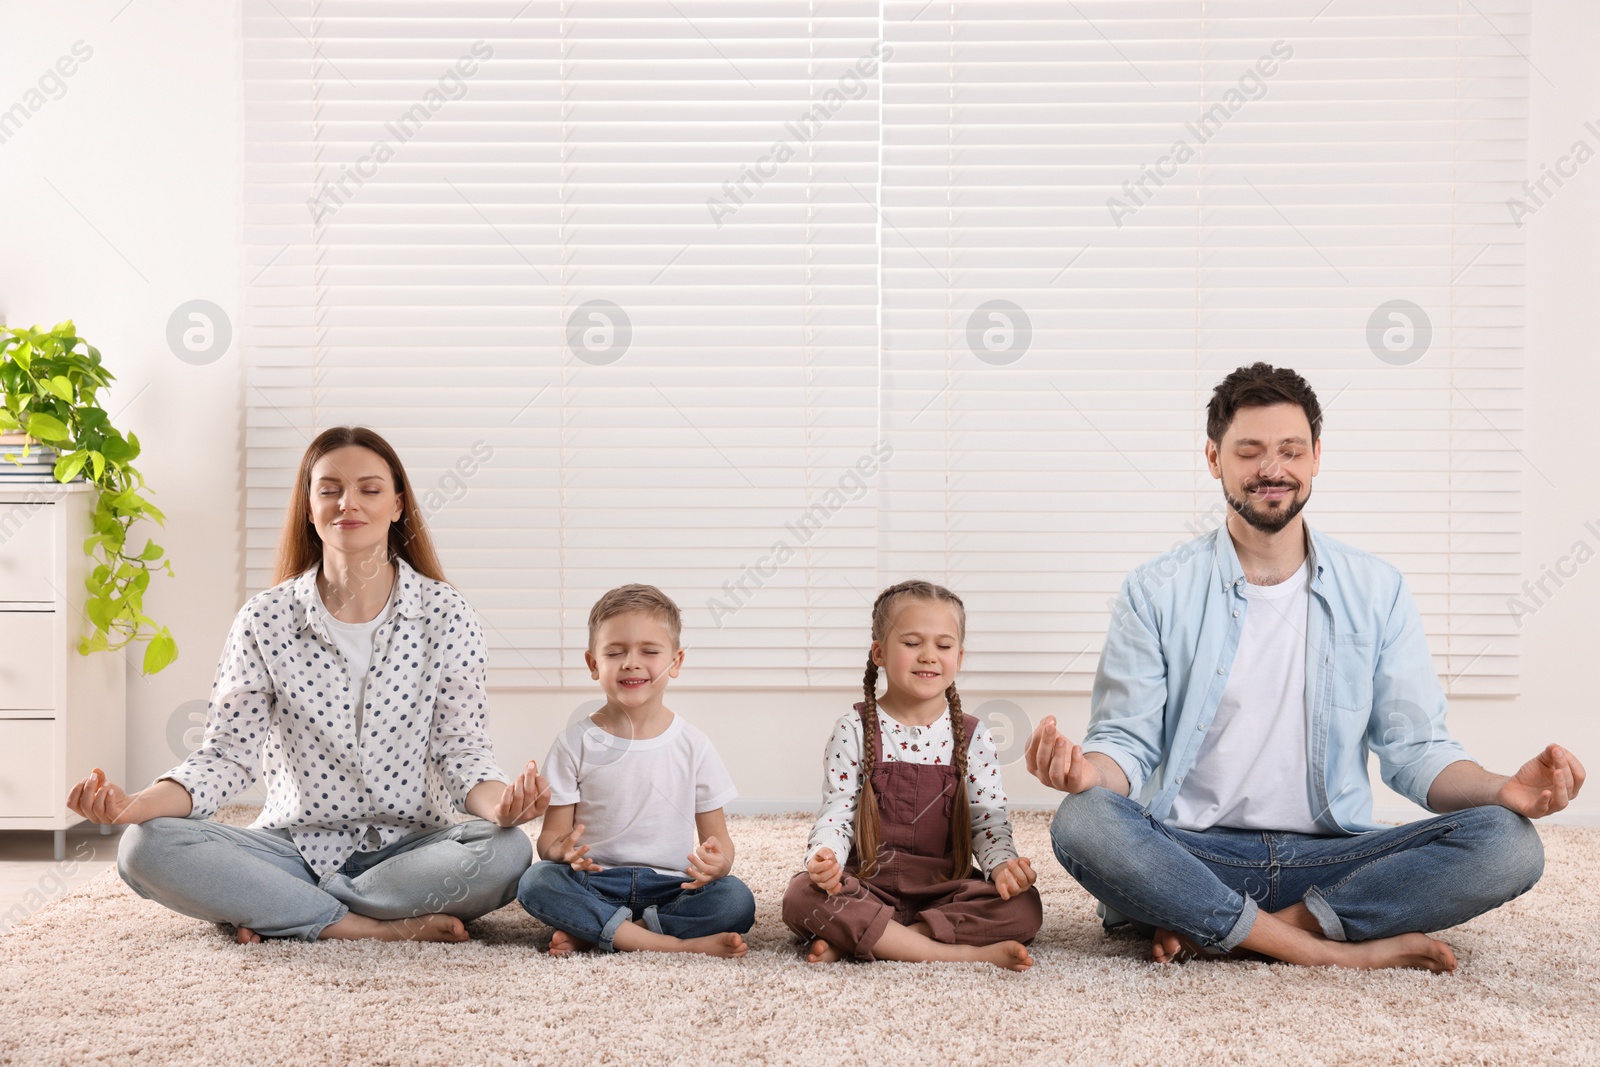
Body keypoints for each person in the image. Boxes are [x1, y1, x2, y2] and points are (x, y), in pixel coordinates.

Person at [1027, 363, 1585, 972]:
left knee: (1507, 843)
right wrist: (1086, 775)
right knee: (1084, 821)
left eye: (1291, 450)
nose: (1273, 469)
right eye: (1251, 451)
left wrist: (1502, 789)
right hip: (1192, 854)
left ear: (1316, 456)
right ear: (1214, 458)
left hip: (1330, 858)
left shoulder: (1378, 589)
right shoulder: (1154, 590)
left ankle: (1250, 928)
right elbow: (1126, 748)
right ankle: (1327, 949)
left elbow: (1417, 752)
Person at [69, 426, 543, 943]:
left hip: (413, 851)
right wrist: (138, 804)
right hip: (293, 850)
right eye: (329, 489)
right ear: (309, 504)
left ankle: (287, 910)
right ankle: (361, 924)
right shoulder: (264, 619)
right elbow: (227, 755)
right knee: (143, 848)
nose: (348, 503)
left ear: (398, 505)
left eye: (369, 488)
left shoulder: (447, 615)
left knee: (509, 850)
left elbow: (462, 752)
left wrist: (503, 806)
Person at [781, 580, 1042, 971]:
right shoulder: (853, 727)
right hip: (867, 884)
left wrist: (1003, 867)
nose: (929, 656)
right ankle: (955, 951)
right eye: (912, 643)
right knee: (801, 896)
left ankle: (870, 940)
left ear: (960, 655)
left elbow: (988, 822)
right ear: (879, 652)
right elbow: (837, 813)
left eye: (943, 645)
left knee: (1025, 906)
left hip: (944, 891)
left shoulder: (973, 736)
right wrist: (826, 859)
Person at [516, 584, 756, 957]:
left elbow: (720, 842)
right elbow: (550, 842)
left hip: (671, 888)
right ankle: (670, 943)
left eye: (649, 651)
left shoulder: (694, 745)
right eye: (615, 652)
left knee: (735, 898)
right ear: (593, 664)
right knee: (536, 881)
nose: (631, 662)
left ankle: (605, 932)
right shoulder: (573, 743)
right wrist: (559, 852)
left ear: (675, 663)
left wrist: (718, 862)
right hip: (594, 883)